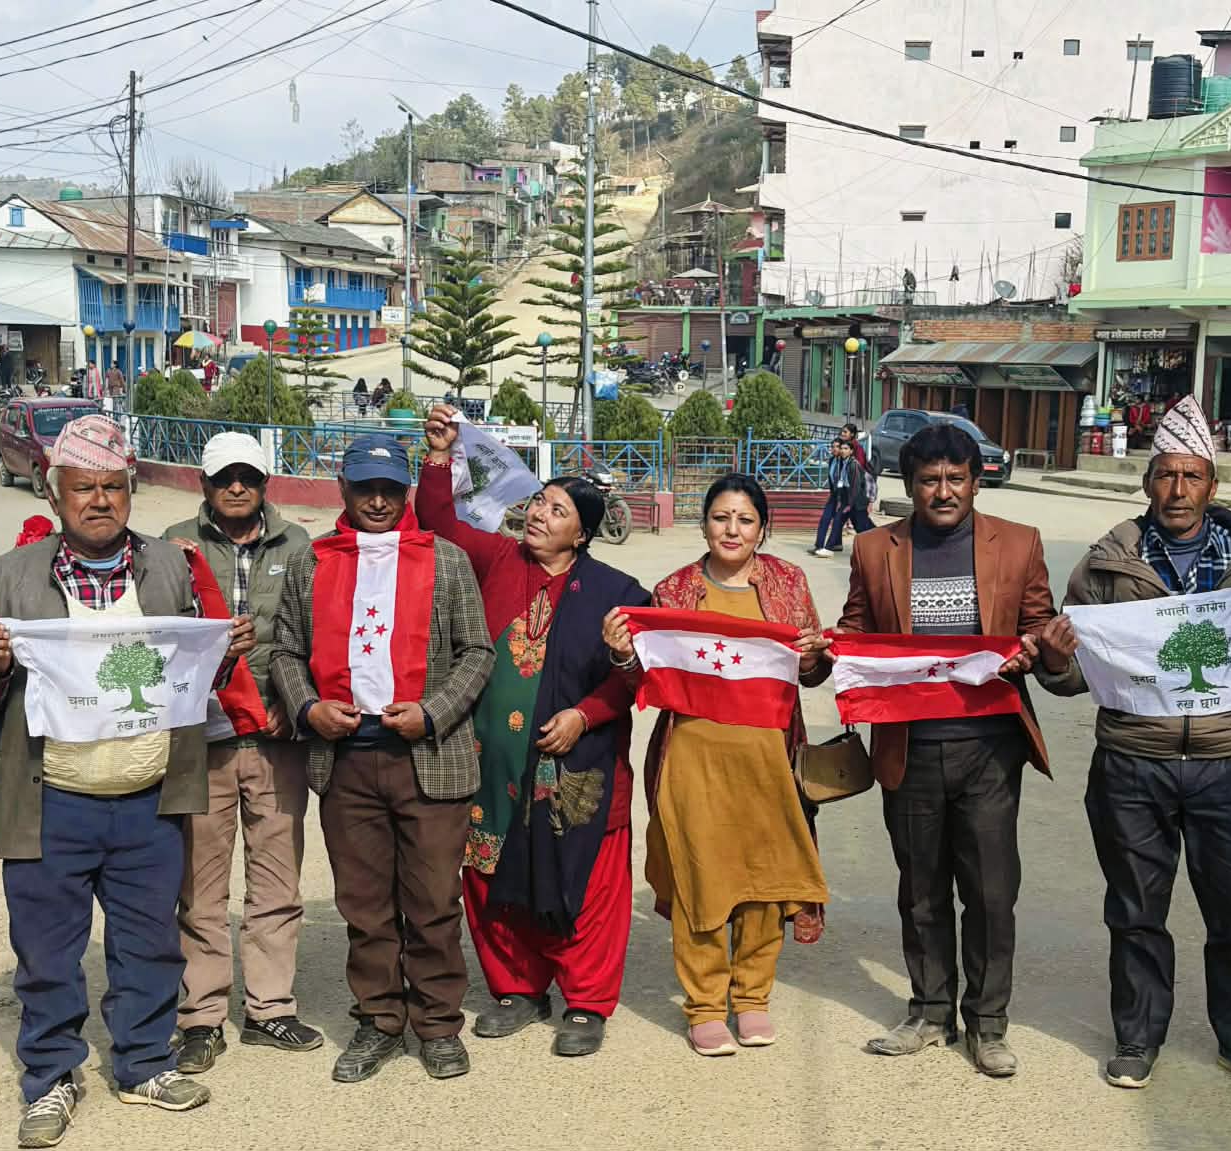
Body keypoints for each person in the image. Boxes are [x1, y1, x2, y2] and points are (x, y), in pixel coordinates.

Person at [0, 414, 254, 1147]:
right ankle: (51, 1077)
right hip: (51, 801)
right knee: (47, 952)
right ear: (55, 493)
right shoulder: (9, 577)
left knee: (150, 942)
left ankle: (144, 1062)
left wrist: (222, 652)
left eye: (113, 487)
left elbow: (189, 682)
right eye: (83, 487)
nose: (99, 501)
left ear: (130, 492)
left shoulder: (172, 569)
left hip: (148, 802)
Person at [1034, 394, 1231, 1095]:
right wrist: (1054, 659)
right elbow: (1078, 676)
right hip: (1132, 761)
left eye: (1191, 476)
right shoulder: (1107, 566)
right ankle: (1138, 1037)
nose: (1177, 489)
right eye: (1165, 475)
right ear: (1147, 483)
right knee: (1136, 910)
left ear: (1212, 485)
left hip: (1227, 762)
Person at [419, 404, 650, 1058]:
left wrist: (584, 714)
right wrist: (438, 455)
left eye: (557, 510)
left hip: (578, 767)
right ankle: (516, 989)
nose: (539, 514)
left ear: (582, 535)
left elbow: (635, 679)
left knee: (586, 879)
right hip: (492, 766)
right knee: (488, 869)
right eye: (539, 502)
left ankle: (586, 1001)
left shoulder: (619, 592)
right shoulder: (498, 559)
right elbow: (438, 523)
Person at [270, 434, 494, 1084]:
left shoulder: (445, 560)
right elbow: (285, 651)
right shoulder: (313, 562)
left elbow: (477, 652)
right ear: (342, 487)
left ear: (406, 492)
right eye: (364, 488)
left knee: (433, 901)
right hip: (347, 761)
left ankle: (438, 1024)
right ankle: (379, 1020)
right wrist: (308, 707)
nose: (376, 501)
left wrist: (434, 711)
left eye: (389, 489)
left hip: (428, 757)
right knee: (364, 905)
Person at [835, 422, 1053, 1077]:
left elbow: (1039, 624)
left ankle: (987, 1024)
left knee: (990, 892)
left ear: (976, 482)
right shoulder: (874, 549)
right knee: (922, 890)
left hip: (989, 749)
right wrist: (828, 652)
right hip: (909, 746)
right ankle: (930, 1011)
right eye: (929, 480)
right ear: (909, 485)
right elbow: (855, 632)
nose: (943, 491)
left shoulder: (1019, 543)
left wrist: (1037, 649)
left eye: (956, 478)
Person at [607, 474, 831, 1057]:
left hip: (769, 758)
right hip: (693, 757)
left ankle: (752, 997)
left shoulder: (789, 582)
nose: (732, 530)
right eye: (720, 517)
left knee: (765, 880)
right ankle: (705, 1005)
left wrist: (814, 657)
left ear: (762, 528)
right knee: (700, 878)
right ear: (704, 523)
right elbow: (644, 680)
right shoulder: (673, 591)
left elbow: (809, 673)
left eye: (745, 519)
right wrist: (623, 653)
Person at [161, 432, 318, 1075]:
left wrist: (292, 704)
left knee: (277, 879)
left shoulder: (298, 545)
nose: (236, 487)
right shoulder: (173, 545)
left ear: (264, 485)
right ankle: (201, 1015)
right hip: (204, 739)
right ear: (203, 484)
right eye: (224, 477)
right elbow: (159, 636)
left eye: (247, 478)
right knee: (200, 884)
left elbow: (310, 635)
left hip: (277, 736)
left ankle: (269, 1007)